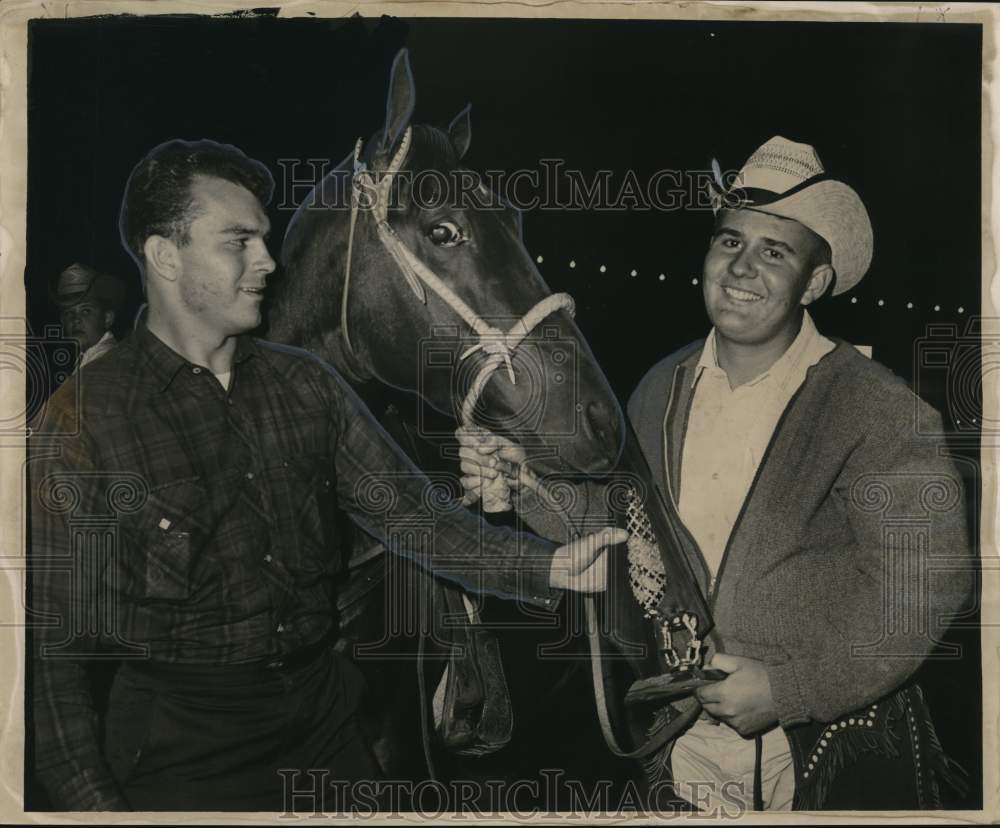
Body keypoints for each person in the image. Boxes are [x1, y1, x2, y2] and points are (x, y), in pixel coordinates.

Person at [27, 138, 626, 812]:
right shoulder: (80, 418)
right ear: (165, 256)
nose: (269, 260)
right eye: (239, 242)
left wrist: (549, 567)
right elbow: (53, 645)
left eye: (265, 238)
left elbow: (411, 518)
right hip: (180, 753)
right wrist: (88, 805)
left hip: (326, 727)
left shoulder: (306, 385)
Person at [456, 136, 973, 811]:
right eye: (730, 242)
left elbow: (923, 590)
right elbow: (630, 528)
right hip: (682, 747)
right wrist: (526, 485)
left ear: (814, 282)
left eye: (774, 252)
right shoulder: (659, 388)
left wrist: (792, 691)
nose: (742, 269)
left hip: (822, 756)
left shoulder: (878, 409)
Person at [54, 263, 126, 369]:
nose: (75, 320)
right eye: (69, 313)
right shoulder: (88, 357)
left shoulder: (108, 362)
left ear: (107, 318)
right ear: (62, 321)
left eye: (86, 311)